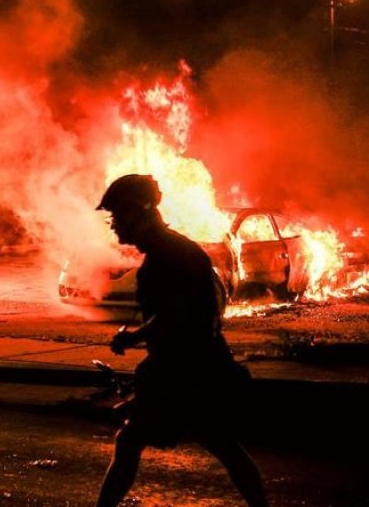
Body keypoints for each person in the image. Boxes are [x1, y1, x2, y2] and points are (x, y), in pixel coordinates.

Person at [94, 174, 269, 507]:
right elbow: (183, 312)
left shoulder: (166, 257)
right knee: (220, 444)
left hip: (185, 371)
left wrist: (139, 340)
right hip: (193, 365)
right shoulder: (175, 249)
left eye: (117, 216)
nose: (114, 226)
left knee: (134, 441)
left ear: (137, 212)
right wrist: (137, 337)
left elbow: (176, 318)